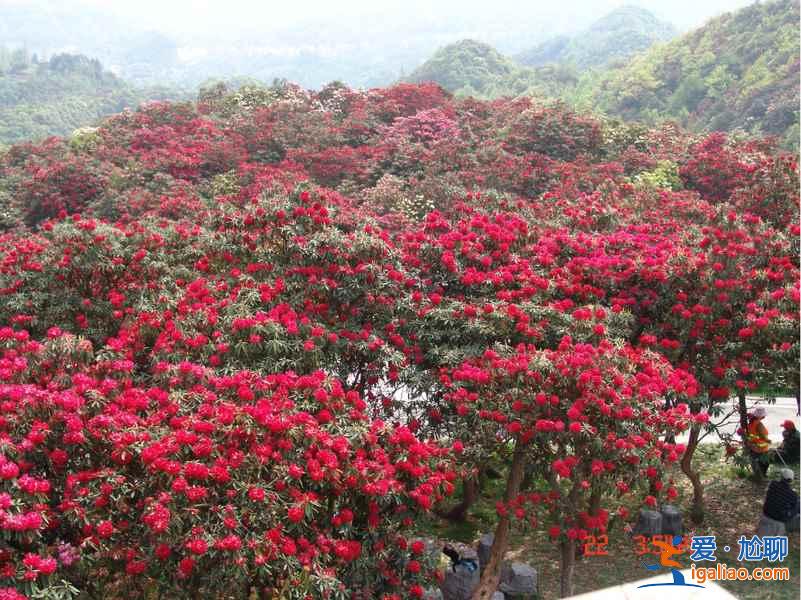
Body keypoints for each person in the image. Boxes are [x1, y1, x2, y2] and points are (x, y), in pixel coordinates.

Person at [746, 407, 771, 477]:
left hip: (754, 447)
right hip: (761, 447)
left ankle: (759, 474)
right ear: (762, 416)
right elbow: (763, 435)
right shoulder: (759, 424)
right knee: (765, 462)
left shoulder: (751, 423)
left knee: (759, 462)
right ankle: (762, 475)